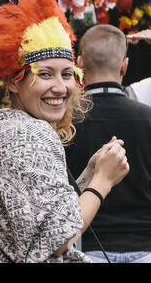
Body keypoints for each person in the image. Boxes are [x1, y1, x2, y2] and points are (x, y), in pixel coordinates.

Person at [0, 0, 129, 262]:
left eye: (68, 74)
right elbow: (57, 238)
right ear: (14, 81)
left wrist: (86, 176)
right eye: (45, 74)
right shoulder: (30, 133)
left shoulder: (8, 129)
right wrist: (103, 181)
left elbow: (37, 215)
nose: (61, 86)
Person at [65, 24, 151, 263]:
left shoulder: (65, 121)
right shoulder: (148, 117)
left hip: (85, 247)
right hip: (145, 247)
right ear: (124, 66)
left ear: (79, 64)